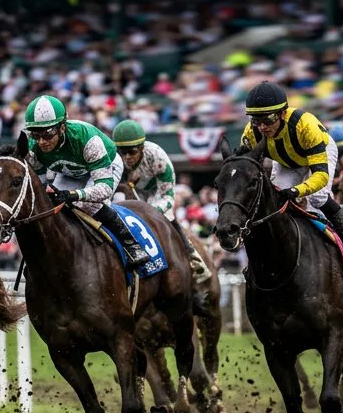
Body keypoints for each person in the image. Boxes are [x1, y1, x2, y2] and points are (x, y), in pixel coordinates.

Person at [239, 82, 343, 266]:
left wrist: (297, 190)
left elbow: (320, 177)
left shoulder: (306, 126)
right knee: (277, 202)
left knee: (317, 198)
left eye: (268, 119)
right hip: (286, 162)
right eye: (256, 120)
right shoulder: (252, 133)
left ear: (283, 113)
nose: (262, 127)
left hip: (318, 153)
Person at [21, 95, 150, 271]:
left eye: (48, 133)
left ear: (62, 127)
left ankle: (131, 244)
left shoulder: (87, 139)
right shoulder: (33, 145)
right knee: (49, 207)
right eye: (36, 134)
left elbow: (103, 188)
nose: (42, 141)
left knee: (87, 205)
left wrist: (75, 195)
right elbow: (41, 185)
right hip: (69, 171)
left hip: (104, 167)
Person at [112, 119, 211, 282]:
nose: (127, 157)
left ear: (142, 148)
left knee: (167, 217)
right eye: (123, 152)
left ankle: (193, 258)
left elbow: (168, 196)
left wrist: (149, 212)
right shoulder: (115, 159)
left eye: (132, 152)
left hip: (159, 192)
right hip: (134, 191)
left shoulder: (158, 157)